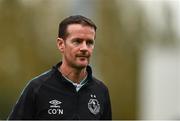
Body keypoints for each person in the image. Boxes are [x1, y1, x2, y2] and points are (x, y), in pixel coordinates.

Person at [8, 15, 112, 120]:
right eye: (77, 41)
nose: (84, 48)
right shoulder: (37, 88)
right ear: (61, 44)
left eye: (89, 42)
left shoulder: (101, 91)